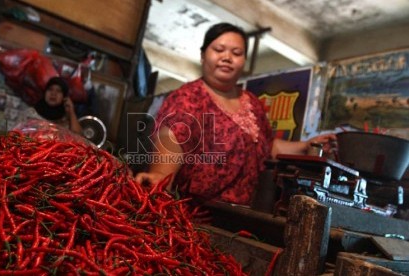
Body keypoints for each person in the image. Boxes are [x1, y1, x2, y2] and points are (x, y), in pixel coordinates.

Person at [135, 22, 335, 206]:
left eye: (237, 52)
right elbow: (170, 141)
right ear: (203, 55)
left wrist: (306, 145)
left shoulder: (252, 102)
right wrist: (159, 176)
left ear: (244, 61)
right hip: (195, 217)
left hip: (243, 217)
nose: (227, 57)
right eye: (218, 50)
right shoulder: (188, 98)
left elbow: (266, 144)